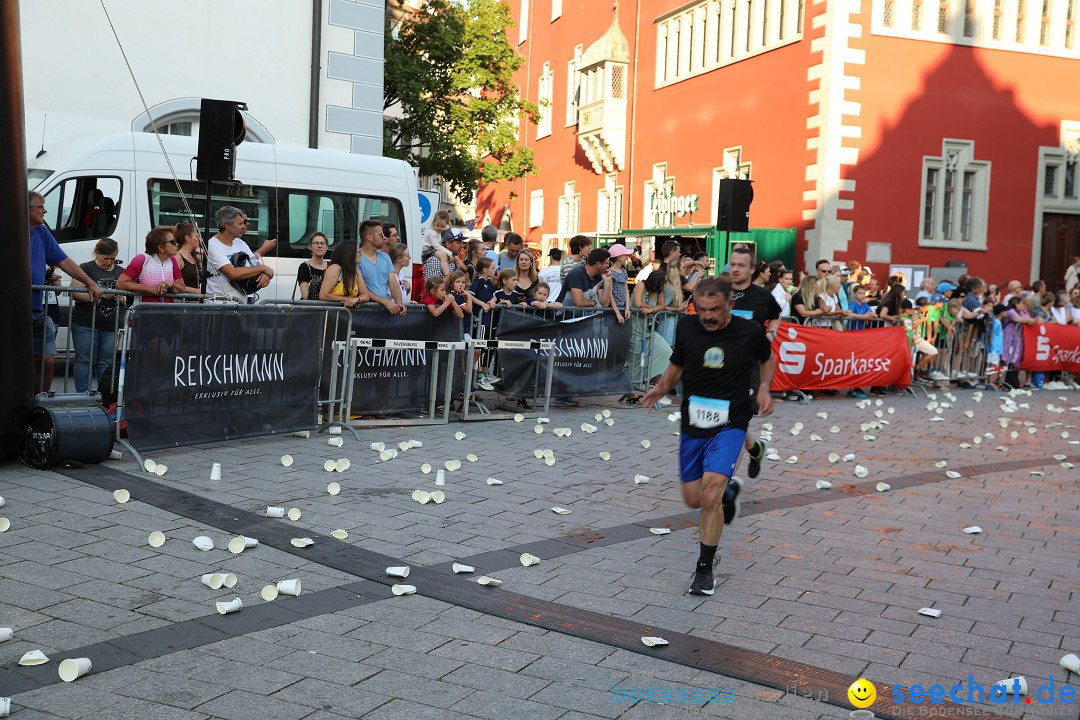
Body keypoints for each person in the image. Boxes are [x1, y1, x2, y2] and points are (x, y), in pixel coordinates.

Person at [641, 277, 774, 596]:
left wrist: (765, 387)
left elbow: (766, 360)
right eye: (701, 309)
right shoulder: (687, 327)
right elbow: (677, 363)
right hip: (694, 421)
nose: (708, 316)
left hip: (732, 421)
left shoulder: (750, 331)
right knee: (693, 499)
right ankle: (729, 491)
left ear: (730, 304)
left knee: (710, 495)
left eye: (714, 309)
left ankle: (704, 568)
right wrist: (662, 387)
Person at [28, 191, 104, 393]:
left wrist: (89, 282)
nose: (44, 210)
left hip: (37, 308)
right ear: (25, 209)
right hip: (15, 308)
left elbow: (63, 260)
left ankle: (40, 406)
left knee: (47, 360)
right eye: (40, 206)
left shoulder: (42, 231)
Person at [726, 246, 781, 480]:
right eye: (733, 264)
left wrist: (770, 335)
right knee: (729, 422)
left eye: (741, 265)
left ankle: (725, 481)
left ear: (751, 269)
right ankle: (756, 449)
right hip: (721, 367)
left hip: (749, 368)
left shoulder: (762, 297)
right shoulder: (721, 291)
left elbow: (776, 315)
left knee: (736, 425)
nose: (735, 269)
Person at [69, 238, 125, 393]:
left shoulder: (121, 272)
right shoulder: (86, 268)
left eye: (112, 258)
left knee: (106, 362)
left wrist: (124, 299)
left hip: (111, 324)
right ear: (97, 254)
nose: (109, 262)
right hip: (85, 322)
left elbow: (128, 298)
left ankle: (104, 396)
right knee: (85, 360)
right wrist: (101, 296)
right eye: (105, 258)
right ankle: (82, 396)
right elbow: (75, 294)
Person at [206, 206, 274, 303]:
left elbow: (255, 264)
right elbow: (232, 273)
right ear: (227, 226)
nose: (244, 226)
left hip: (241, 303)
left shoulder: (240, 243)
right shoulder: (212, 245)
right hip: (220, 305)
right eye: (240, 223)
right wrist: (264, 269)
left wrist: (265, 274)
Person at [117, 226, 190, 301]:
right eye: (173, 242)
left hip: (167, 311)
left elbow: (181, 288)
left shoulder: (172, 260)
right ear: (161, 248)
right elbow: (120, 283)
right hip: (145, 310)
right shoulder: (141, 259)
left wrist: (171, 285)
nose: (177, 244)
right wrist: (150, 288)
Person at [358, 219, 407, 315]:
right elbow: (361, 289)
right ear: (370, 237)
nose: (384, 238)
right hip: (364, 313)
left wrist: (399, 303)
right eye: (381, 235)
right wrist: (385, 302)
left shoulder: (385, 257)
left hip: (383, 313)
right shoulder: (357, 259)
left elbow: (393, 284)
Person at [319, 240, 370, 308]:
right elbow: (323, 295)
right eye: (358, 252)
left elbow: (365, 295)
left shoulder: (355, 271)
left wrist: (356, 299)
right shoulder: (335, 268)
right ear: (350, 254)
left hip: (347, 315)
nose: (361, 254)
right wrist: (347, 299)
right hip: (332, 313)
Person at [296, 232, 330, 300]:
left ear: (327, 247)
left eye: (322, 243)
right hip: (311, 307)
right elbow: (305, 296)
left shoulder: (331, 266)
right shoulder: (304, 267)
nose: (319, 246)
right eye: (316, 243)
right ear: (310, 246)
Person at [608, 244, 633, 324]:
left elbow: (626, 290)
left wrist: (627, 308)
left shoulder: (624, 271)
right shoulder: (610, 272)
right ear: (619, 257)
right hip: (613, 311)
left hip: (623, 308)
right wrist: (618, 313)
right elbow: (610, 294)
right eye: (625, 255)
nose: (627, 257)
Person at [174, 223, 203, 291]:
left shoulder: (195, 256)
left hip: (196, 300)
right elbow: (174, 285)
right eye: (197, 236)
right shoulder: (177, 257)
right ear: (188, 238)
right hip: (183, 300)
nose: (200, 239)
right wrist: (196, 291)